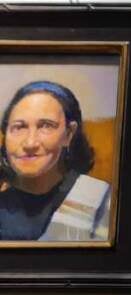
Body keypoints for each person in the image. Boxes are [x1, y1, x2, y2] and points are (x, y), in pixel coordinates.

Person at [0, 80, 111, 242]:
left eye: (46, 126)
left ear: (69, 134)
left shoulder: (100, 201)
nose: (30, 143)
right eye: (19, 127)